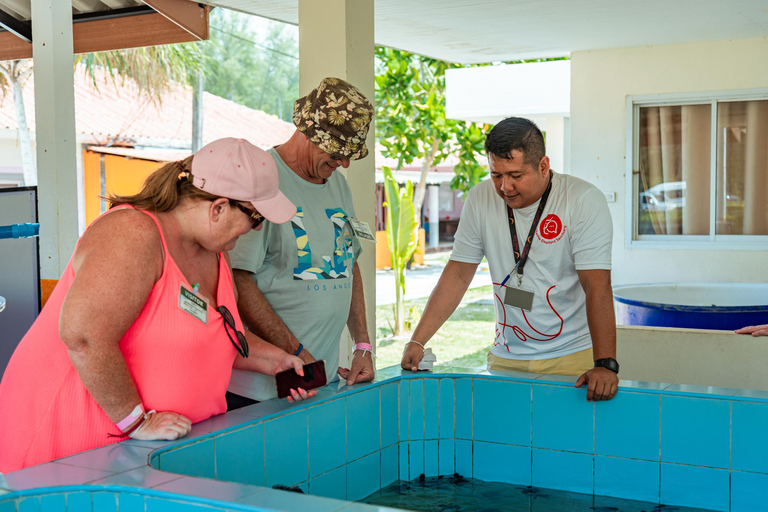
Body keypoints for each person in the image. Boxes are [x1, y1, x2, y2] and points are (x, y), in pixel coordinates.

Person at [0, 138, 315, 473]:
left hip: (148, 456)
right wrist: (137, 421)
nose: (258, 228)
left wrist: (277, 361)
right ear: (218, 207)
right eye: (255, 217)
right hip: (71, 450)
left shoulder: (213, 251)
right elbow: (84, 336)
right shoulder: (132, 232)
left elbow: (217, 333)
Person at [401, 117, 619, 401]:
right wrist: (418, 340)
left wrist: (604, 364)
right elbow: (457, 274)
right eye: (496, 175)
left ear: (543, 166)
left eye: (516, 176)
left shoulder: (582, 200)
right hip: (506, 357)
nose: (505, 187)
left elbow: (597, 286)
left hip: (572, 357)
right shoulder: (480, 199)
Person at [227, 77, 376, 405]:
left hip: (316, 379)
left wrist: (362, 345)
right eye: (339, 152)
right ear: (310, 132)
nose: (345, 163)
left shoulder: (338, 185)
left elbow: (348, 264)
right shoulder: (264, 180)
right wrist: (297, 352)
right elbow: (239, 281)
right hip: (261, 390)